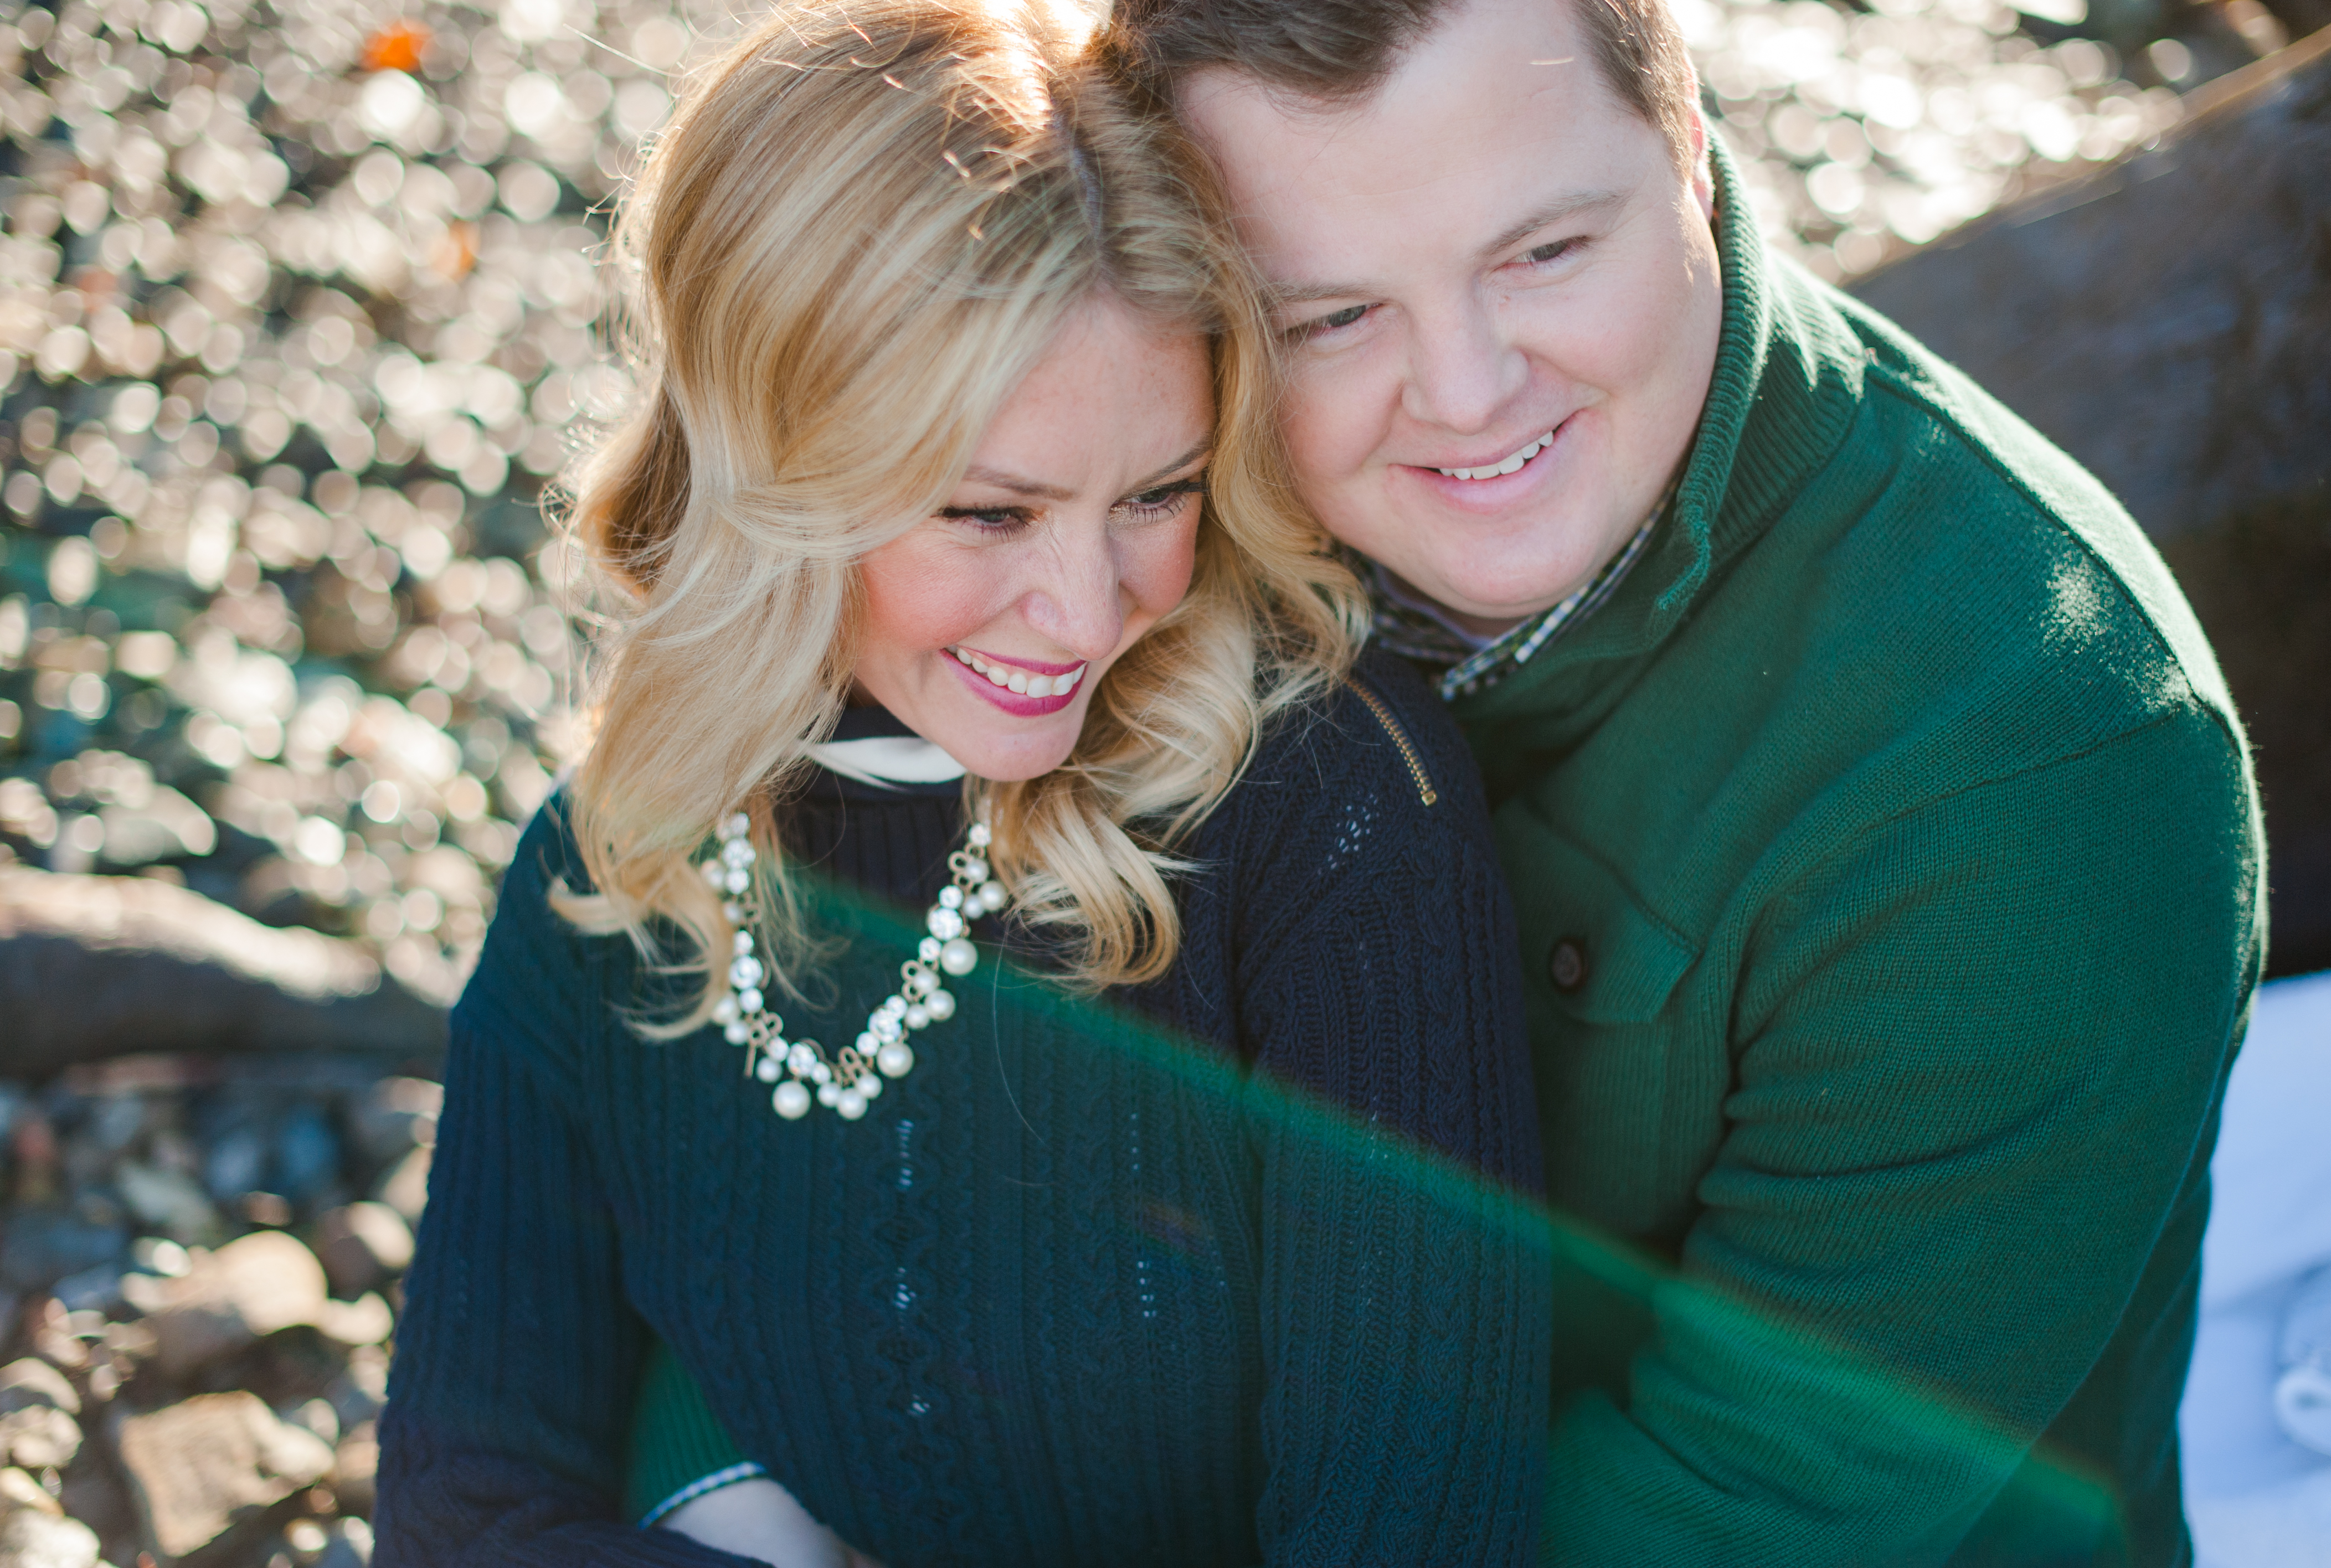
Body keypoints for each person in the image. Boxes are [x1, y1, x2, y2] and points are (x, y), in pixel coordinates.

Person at [372, 3, 1550, 1565]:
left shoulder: (1330, 815)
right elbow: (462, 1509)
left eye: (1158, 494)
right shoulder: (625, 867)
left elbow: (1416, 1529)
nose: (1085, 609)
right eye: (990, 515)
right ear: (775, 463)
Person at [1105, 0, 2265, 1562]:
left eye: (1547, 254)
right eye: (1331, 319)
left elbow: (1735, 1511)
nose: (1465, 390)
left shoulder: (2035, 769)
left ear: (1693, 156)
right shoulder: (1132, 498)